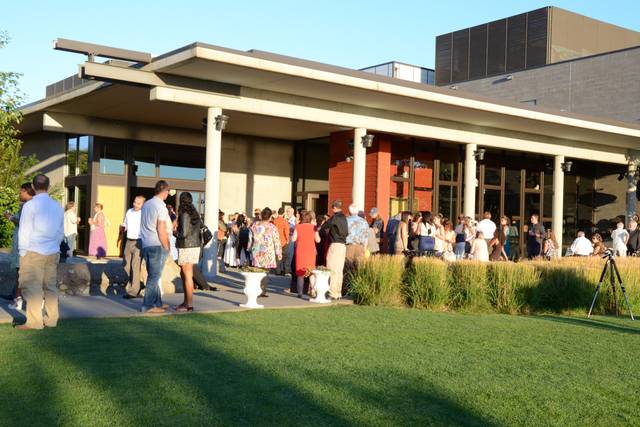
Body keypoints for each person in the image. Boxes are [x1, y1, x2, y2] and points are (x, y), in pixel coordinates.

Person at [15, 174, 64, 330]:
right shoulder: (57, 206)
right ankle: (51, 319)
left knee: (33, 286)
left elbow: (24, 231)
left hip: (33, 250)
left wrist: (22, 253)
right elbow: (60, 232)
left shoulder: (30, 206)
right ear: (48, 187)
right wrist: (54, 246)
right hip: (52, 251)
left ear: (34, 187)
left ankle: (34, 322)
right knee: (50, 286)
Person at [140, 180, 172, 313]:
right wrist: (166, 245)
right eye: (168, 192)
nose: (168, 195)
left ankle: (157, 302)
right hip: (157, 244)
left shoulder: (146, 204)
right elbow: (161, 227)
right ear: (164, 192)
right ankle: (147, 306)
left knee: (154, 275)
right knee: (154, 276)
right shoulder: (160, 206)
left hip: (146, 243)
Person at [4, 182, 35, 311]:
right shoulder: (35, 205)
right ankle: (24, 300)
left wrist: (9, 217)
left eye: (20, 191)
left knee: (19, 273)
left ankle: (18, 301)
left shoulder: (27, 206)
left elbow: (21, 221)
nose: (19, 193)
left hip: (22, 245)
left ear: (25, 191)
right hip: (31, 245)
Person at [175, 192, 202, 312]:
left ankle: (189, 304)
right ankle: (186, 302)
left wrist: (174, 232)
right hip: (194, 246)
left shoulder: (184, 214)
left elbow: (184, 233)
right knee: (186, 274)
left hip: (187, 246)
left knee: (187, 275)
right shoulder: (195, 214)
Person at [249, 207, 282, 297]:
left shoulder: (254, 225)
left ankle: (257, 289)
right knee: (265, 272)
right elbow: (276, 240)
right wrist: (279, 252)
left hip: (257, 250)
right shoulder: (272, 227)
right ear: (270, 216)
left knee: (257, 270)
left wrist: (249, 248)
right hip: (268, 252)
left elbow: (250, 238)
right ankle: (262, 289)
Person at [321, 200, 349, 300]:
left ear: (334, 208)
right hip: (343, 246)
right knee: (339, 270)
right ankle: (338, 292)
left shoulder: (335, 217)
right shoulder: (344, 218)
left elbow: (325, 226)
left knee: (332, 268)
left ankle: (332, 293)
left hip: (335, 244)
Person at [292, 211, 320, 297]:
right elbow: (318, 240)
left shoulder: (298, 227)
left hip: (300, 251)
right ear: (310, 219)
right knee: (311, 272)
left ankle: (300, 292)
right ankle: (313, 290)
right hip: (310, 251)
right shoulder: (314, 227)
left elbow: (293, 239)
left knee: (300, 273)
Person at [122, 196, 145, 299]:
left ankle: (133, 291)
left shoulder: (144, 213)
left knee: (135, 266)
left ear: (143, 204)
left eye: (138, 203)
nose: (135, 204)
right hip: (128, 240)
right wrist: (122, 226)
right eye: (135, 202)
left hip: (139, 241)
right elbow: (125, 223)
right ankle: (138, 283)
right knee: (126, 266)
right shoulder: (129, 211)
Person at [273, 207, 291, 275]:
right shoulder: (284, 221)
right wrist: (287, 240)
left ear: (278, 212)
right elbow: (286, 231)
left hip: (277, 241)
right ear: (283, 213)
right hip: (283, 241)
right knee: (285, 257)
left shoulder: (274, 221)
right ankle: (286, 271)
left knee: (278, 256)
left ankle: (278, 271)